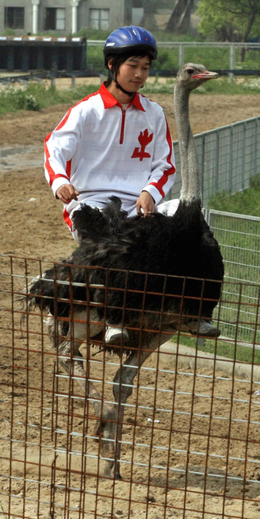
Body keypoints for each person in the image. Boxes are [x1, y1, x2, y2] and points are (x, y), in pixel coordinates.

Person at [43, 25, 217, 343]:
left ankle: (195, 310)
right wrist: (60, 182)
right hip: (92, 202)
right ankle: (113, 317)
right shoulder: (84, 112)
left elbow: (164, 166)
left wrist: (150, 192)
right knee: (113, 240)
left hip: (138, 202)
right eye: (132, 66)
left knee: (189, 219)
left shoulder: (153, 113)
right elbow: (54, 149)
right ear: (113, 65)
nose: (139, 74)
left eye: (145, 68)